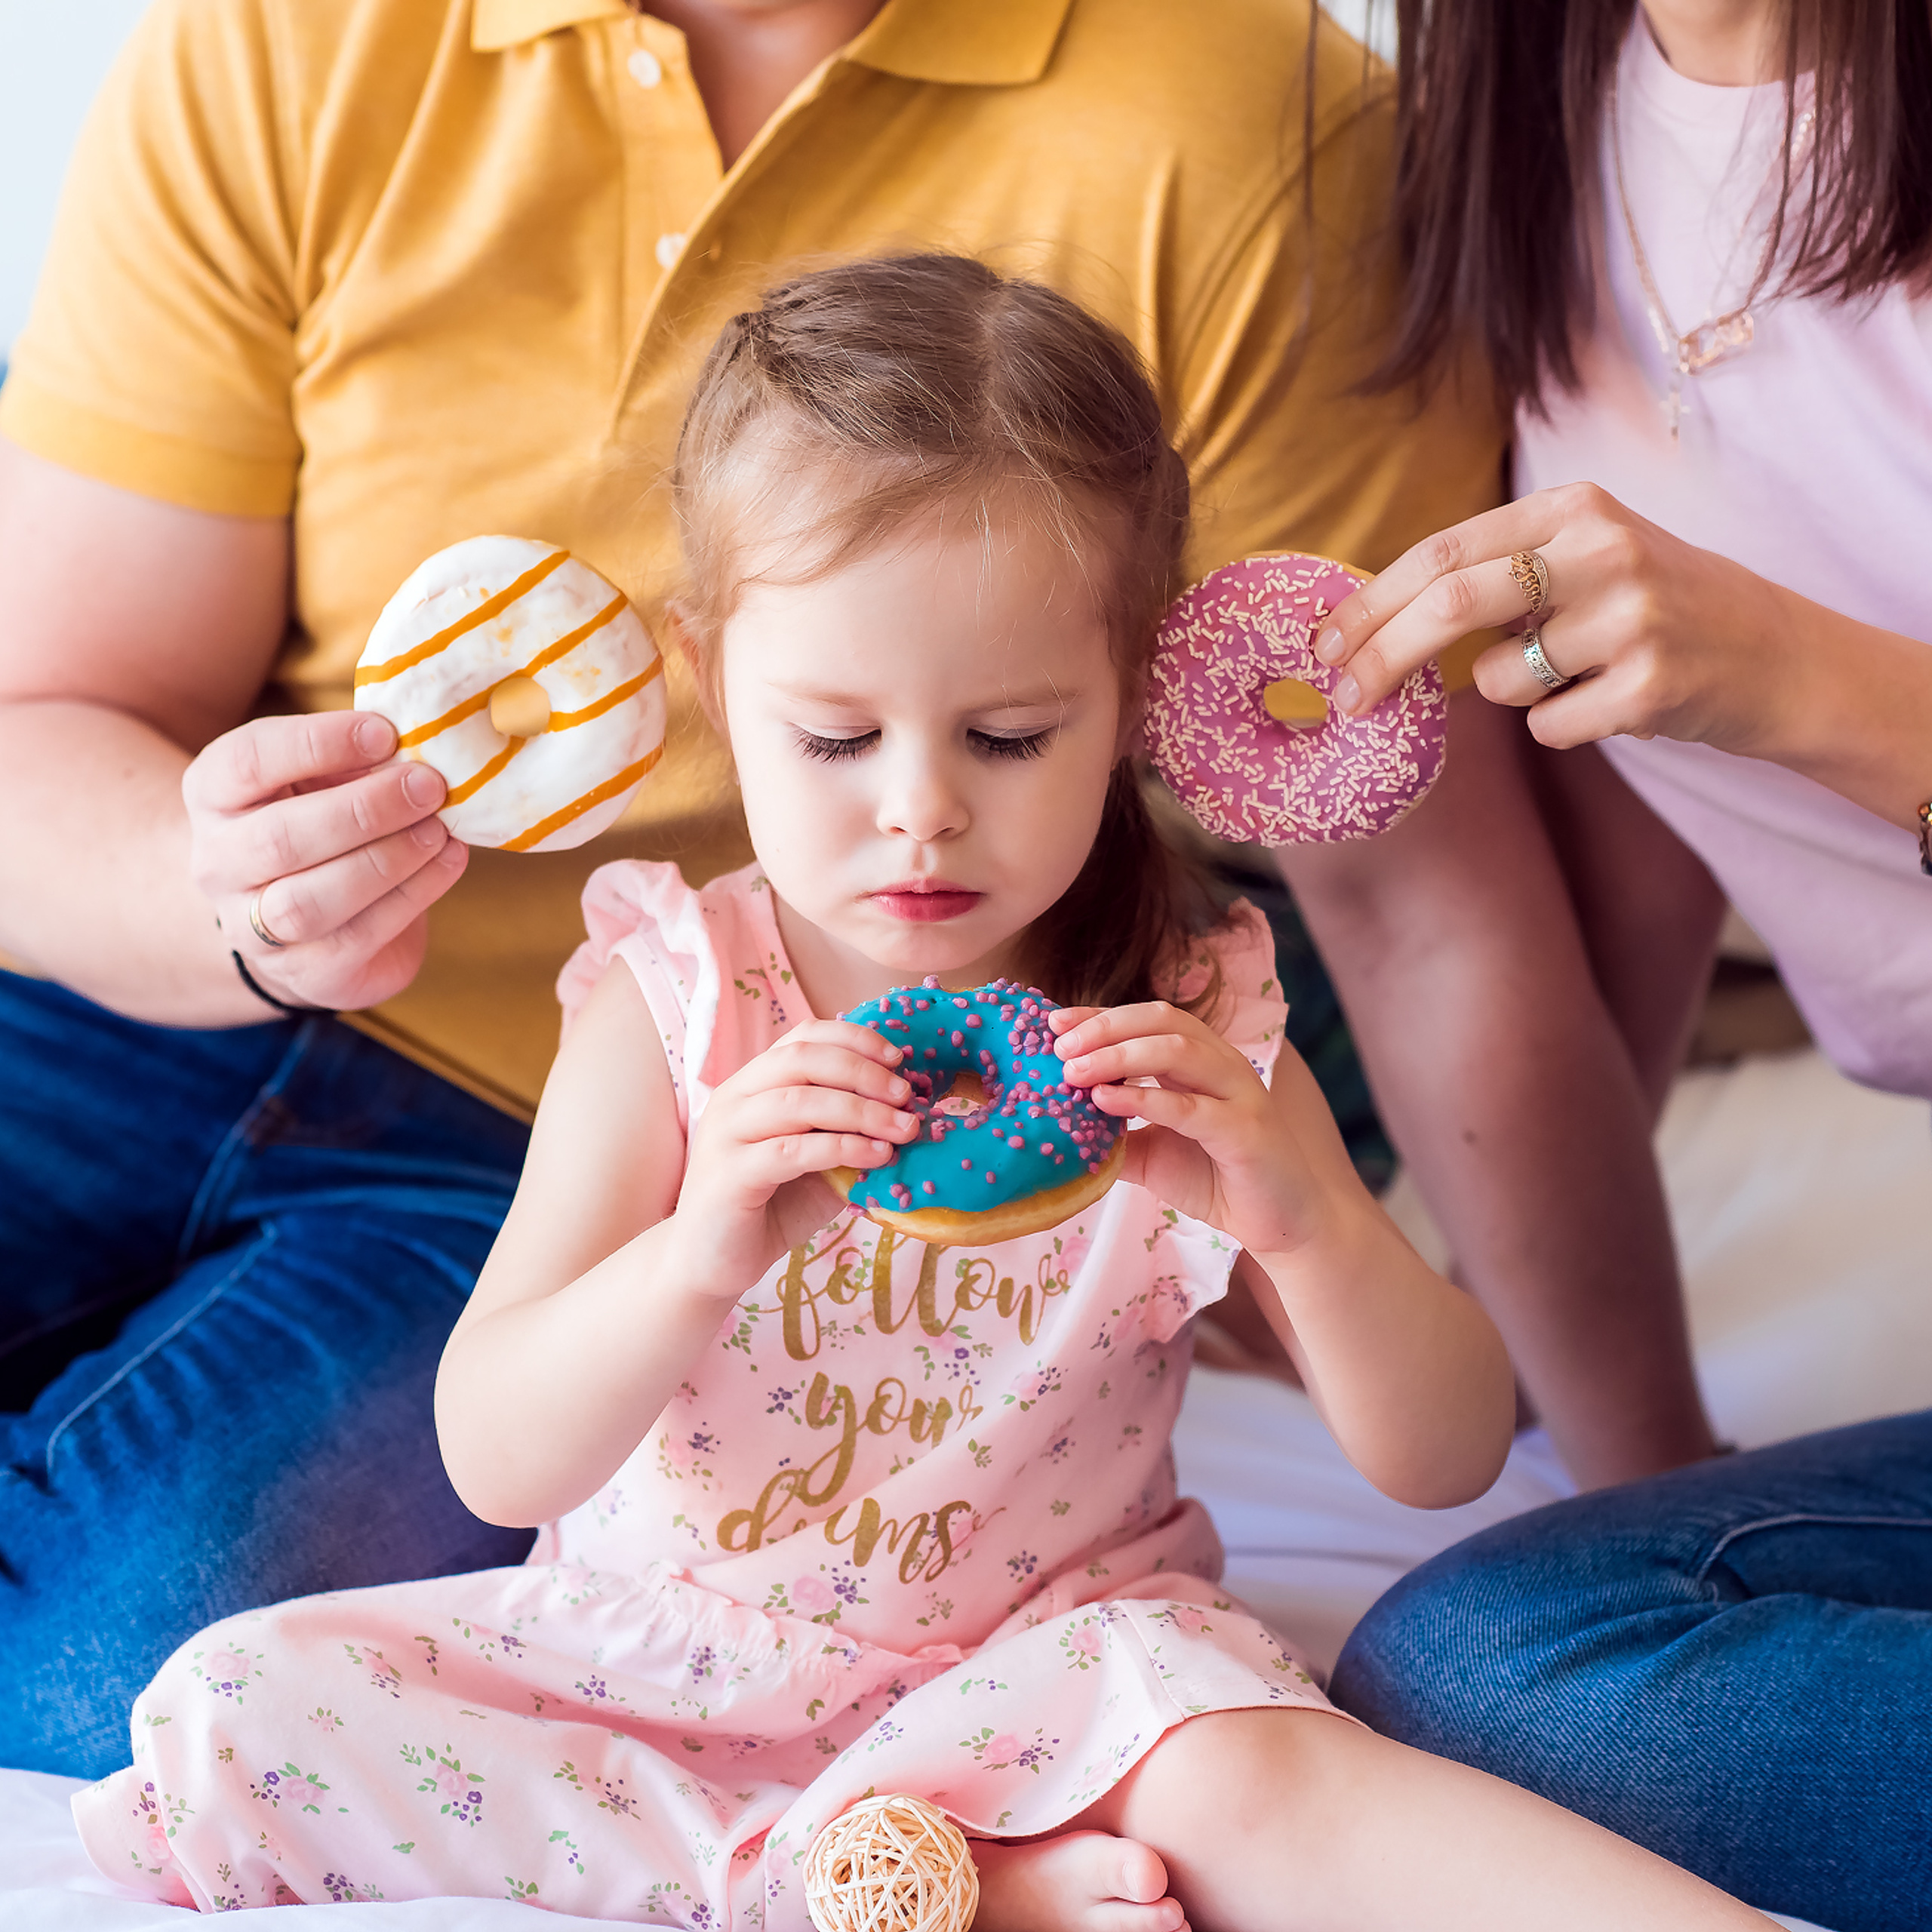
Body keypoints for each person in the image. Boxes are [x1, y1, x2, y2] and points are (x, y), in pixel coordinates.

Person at [0, 0, 1721, 1777]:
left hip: (476, 1154)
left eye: (1005, 732)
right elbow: (45, 714)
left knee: (123, 1665)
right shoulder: (674, 994)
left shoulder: (1182, 1014)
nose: (917, 817)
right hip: (137, 990)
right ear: (702, 672)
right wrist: (227, 887)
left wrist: (1648, 1478)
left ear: (1130, 702)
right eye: (831, 737)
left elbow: (1432, 973)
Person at [1307, 2, 1932, 1925]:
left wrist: (1798, 680)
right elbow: (1626, 857)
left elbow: (1731, 687)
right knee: (1482, 1669)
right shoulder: (1521, 115)